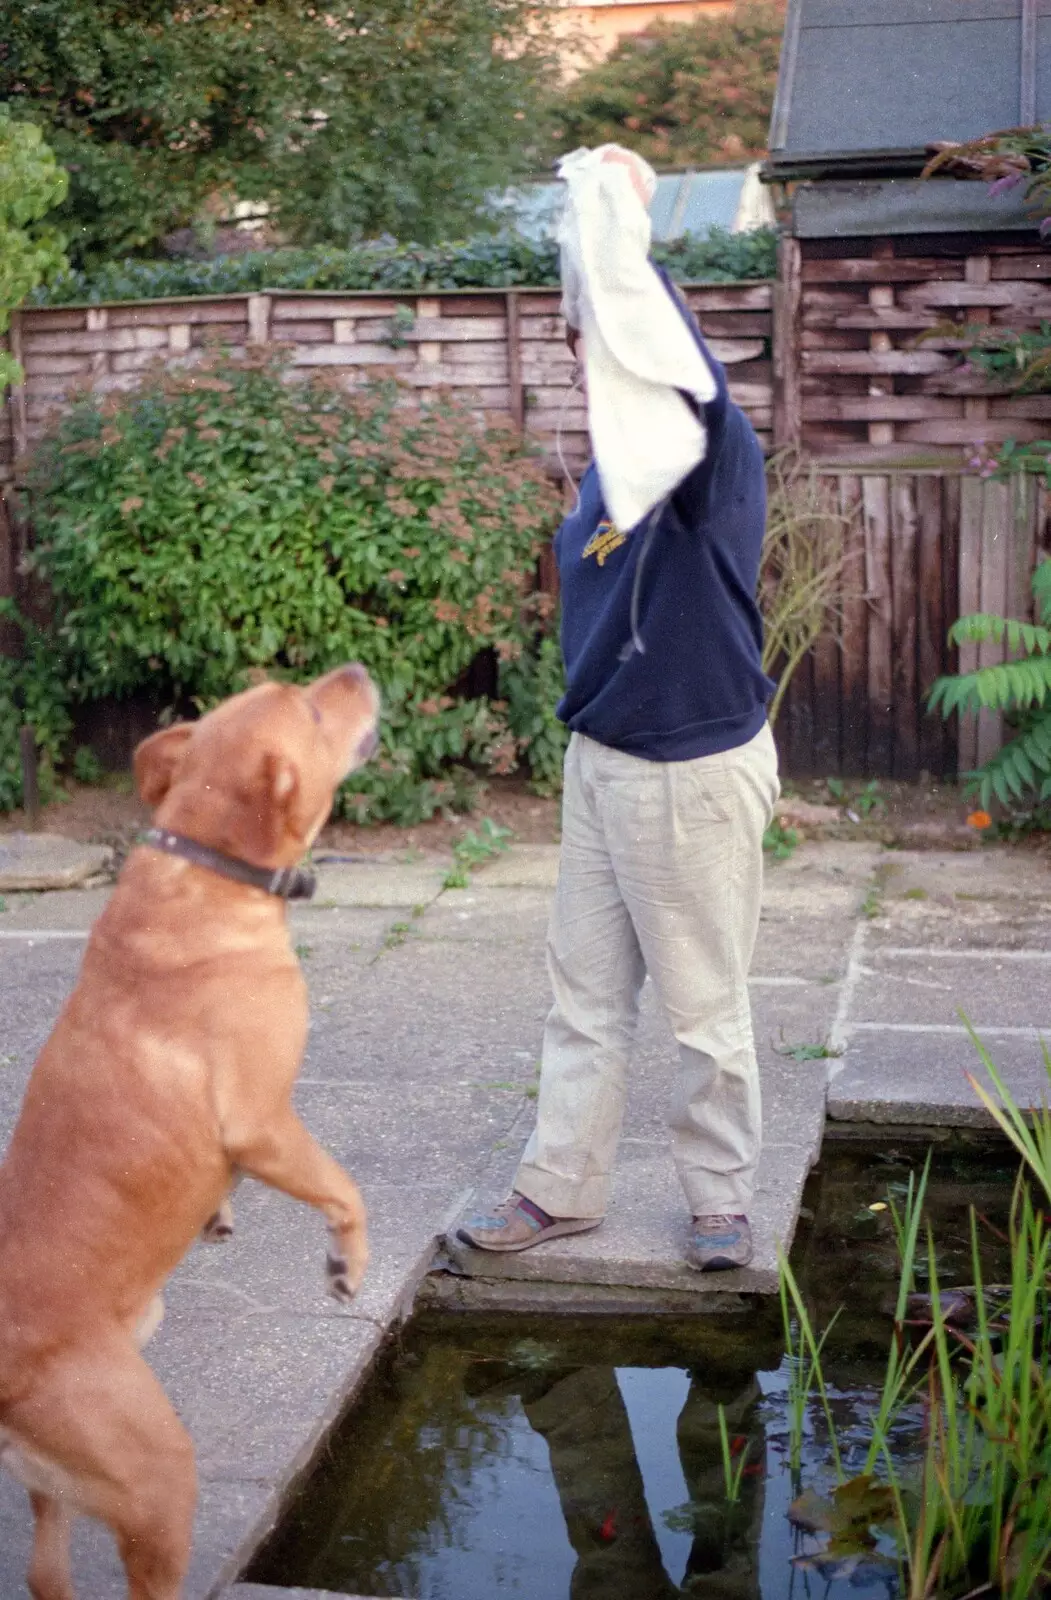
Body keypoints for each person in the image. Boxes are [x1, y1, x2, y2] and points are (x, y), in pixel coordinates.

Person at [458, 144, 779, 1272]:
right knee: (583, 995)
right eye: (578, 339)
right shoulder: (611, 466)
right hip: (601, 760)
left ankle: (720, 1199)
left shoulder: (701, 452)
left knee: (702, 1006)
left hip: (689, 770)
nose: (589, 356)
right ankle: (562, 1187)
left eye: (603, 337)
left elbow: (667, 352)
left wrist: (618, 225)